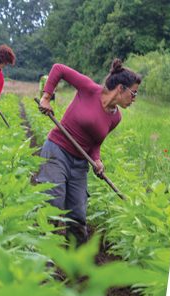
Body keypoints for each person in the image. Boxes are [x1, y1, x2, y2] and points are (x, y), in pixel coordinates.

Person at [36, 59, 141, 244]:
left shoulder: (116, 117)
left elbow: (95, 143)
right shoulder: (89, 89)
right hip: (57, 151)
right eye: (133, 93)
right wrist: (46, 97)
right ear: (120, 88)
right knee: (54, 203)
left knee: (78, 217)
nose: (134, 98)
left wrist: (97, 160)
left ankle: (77, 268)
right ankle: (45, 260)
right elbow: (58, 68)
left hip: (80, 164)